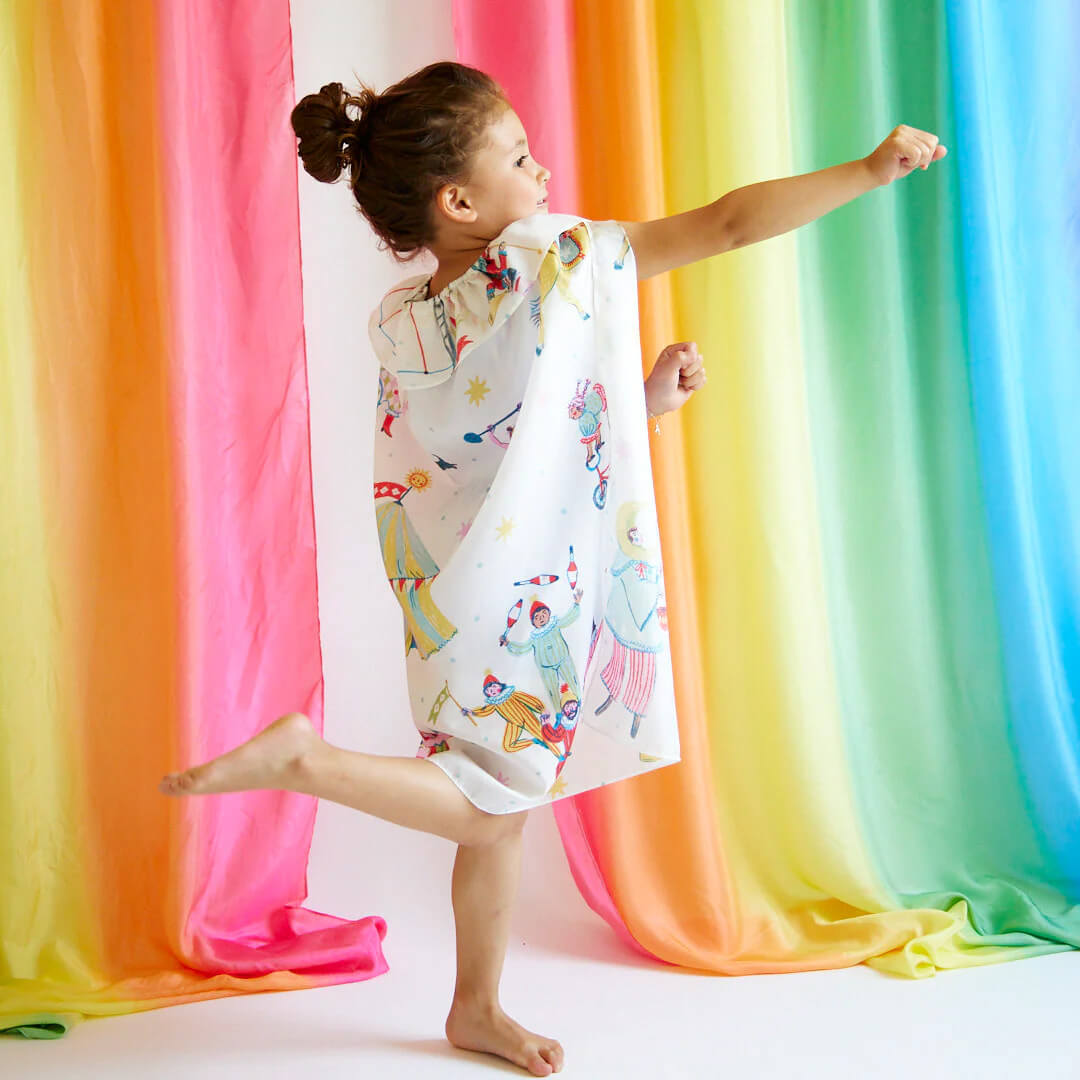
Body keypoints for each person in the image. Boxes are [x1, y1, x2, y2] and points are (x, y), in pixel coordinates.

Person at [158, 60, 945, 1077]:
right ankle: (308, 762)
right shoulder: (543, 258)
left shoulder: (411, 318)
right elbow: (726, 225)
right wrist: (867, 170)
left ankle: (474, 1007)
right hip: (517, 601)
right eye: (521, 158)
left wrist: (645, 403)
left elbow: (498, 445)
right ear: (460, 199)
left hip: (442, 594)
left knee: (496, 813)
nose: (543, 172)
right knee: (489, 799)